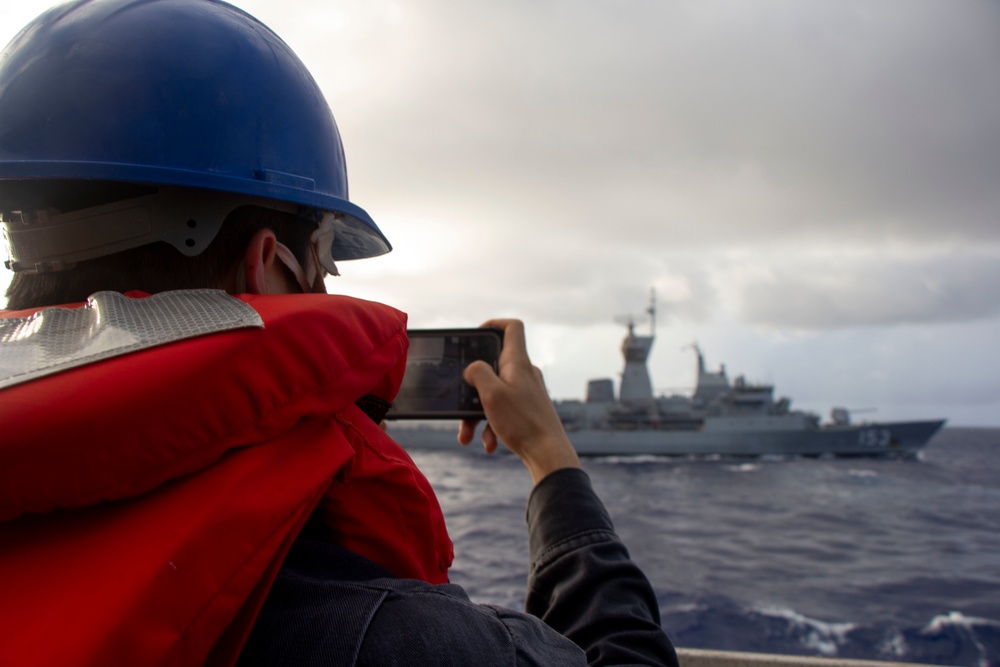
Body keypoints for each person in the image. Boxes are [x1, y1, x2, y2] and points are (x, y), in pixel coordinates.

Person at [0, 1, 678, 665]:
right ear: (266, 262)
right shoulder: (394, 639)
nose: (323, 289)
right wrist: (552, 463)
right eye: (322, 259)